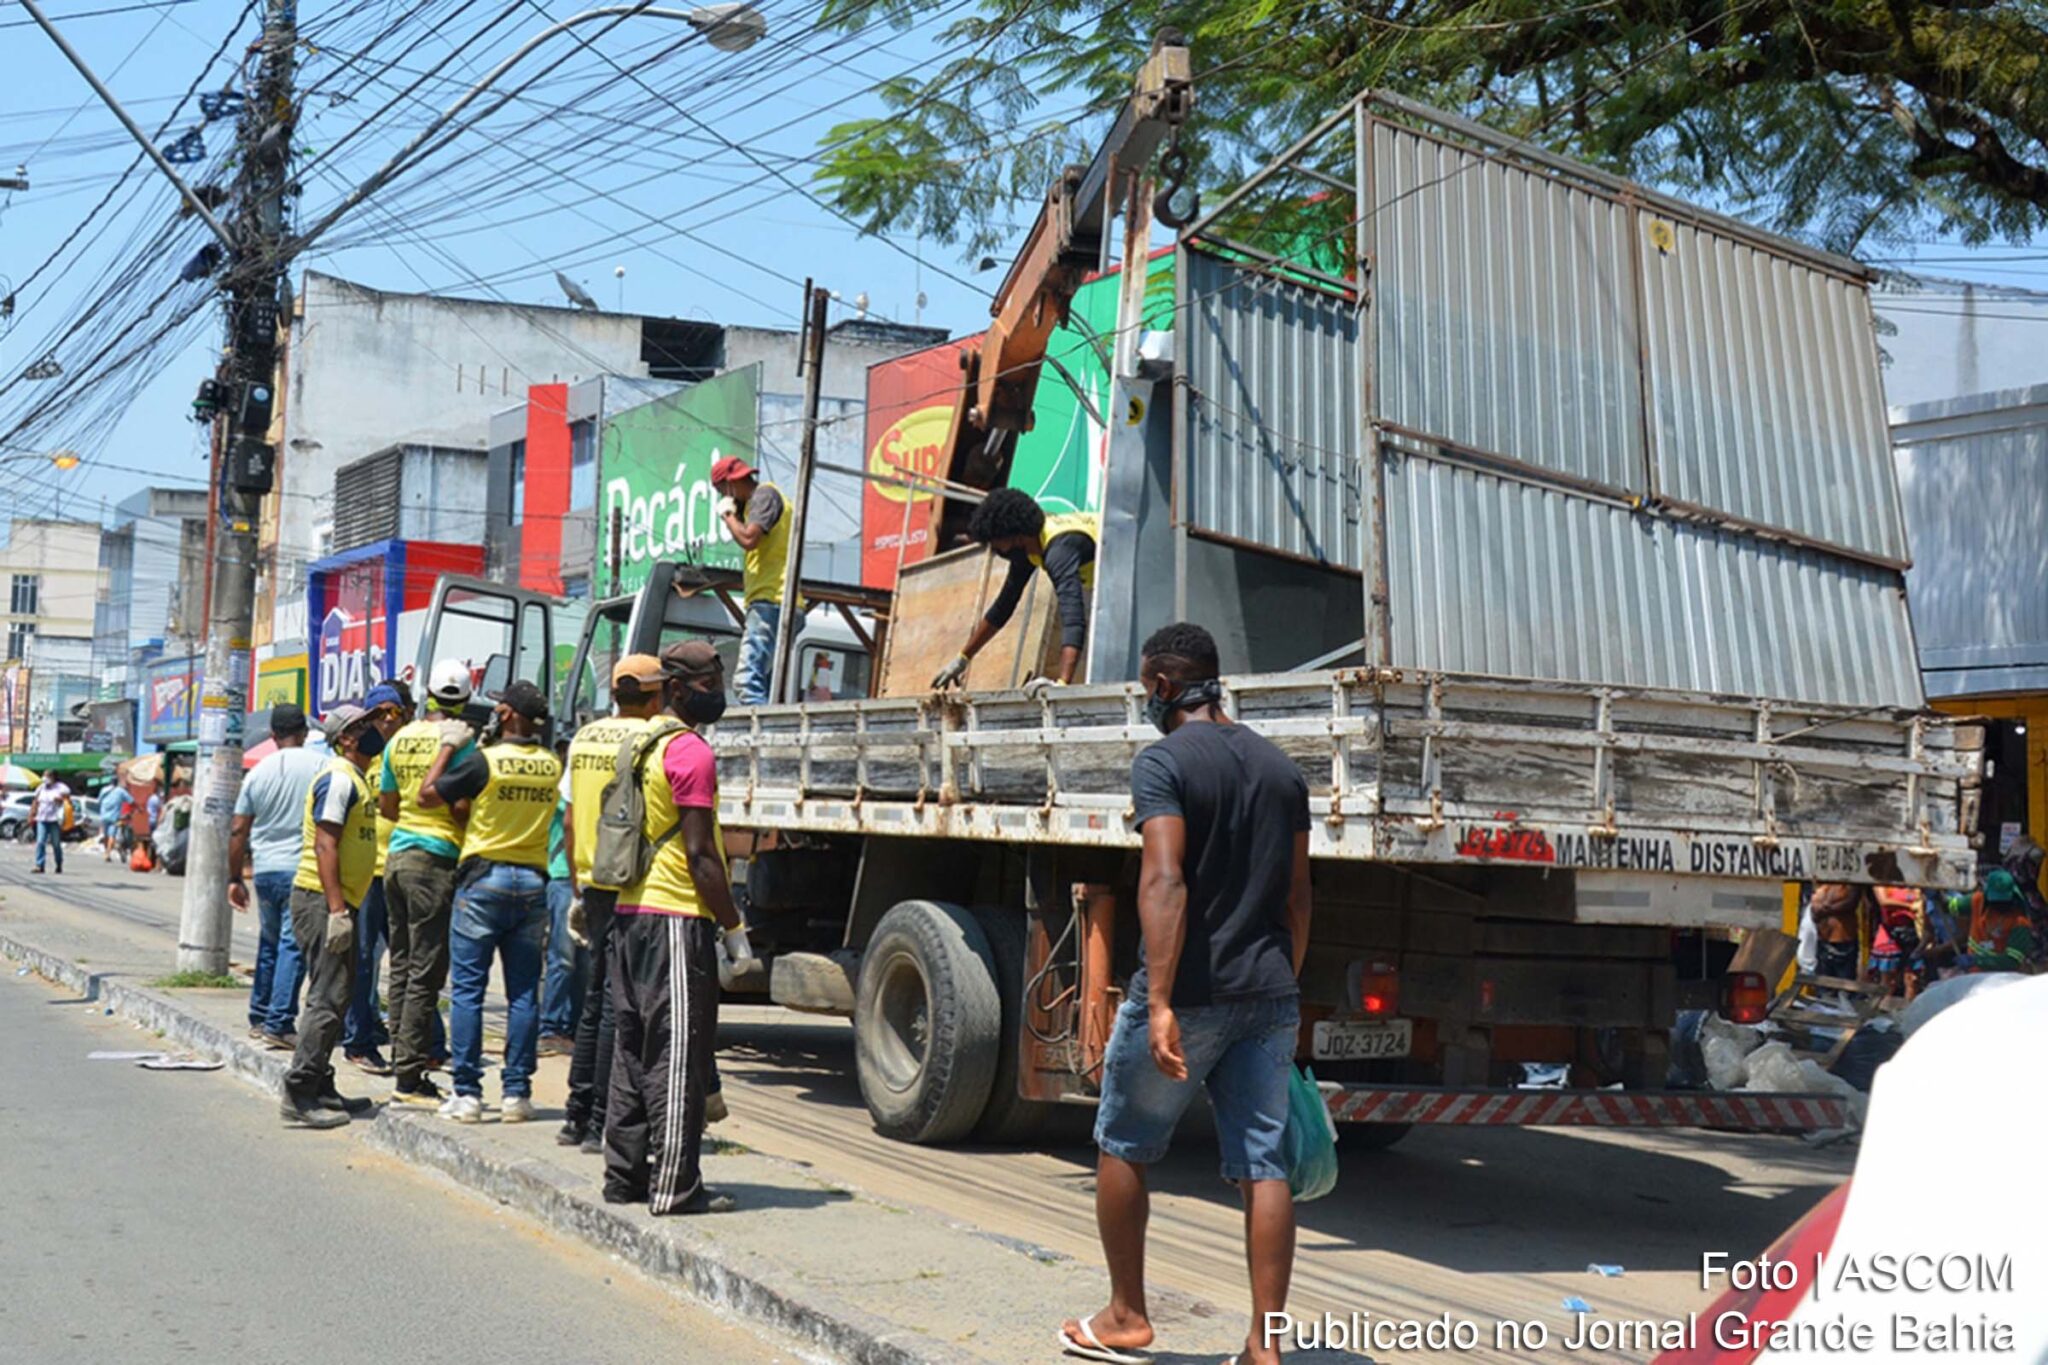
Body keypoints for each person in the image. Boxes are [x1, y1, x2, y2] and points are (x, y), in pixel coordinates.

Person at [1060, 622, 1310, 1365]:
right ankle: (1265, 1346)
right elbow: (1299, 895)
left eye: (1147, 688)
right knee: (1264, 1163)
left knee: (1124, 1141)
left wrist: (1161, 1000)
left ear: (1163, 687)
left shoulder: (1163, 763)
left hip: (1191, 989)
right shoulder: (1280, 769)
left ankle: (1126, 1316)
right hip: (1269, 991)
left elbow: (1165, 878)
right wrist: (1282, 982)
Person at [605, 641, 745, 1214]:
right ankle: (676, 1188)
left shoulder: (639, 742)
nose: (718, 690)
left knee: (632, 1052)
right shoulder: (690, 752)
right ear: (680, 689)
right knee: (678, 1054)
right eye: (710, 681)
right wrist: (733, 926)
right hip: (674, 918)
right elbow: (700, 855)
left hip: (630, 913)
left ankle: (624, 1180)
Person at [418, 679, 562, 1123]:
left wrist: (447, 749)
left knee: (467, 991)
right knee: (523, 994)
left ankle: (467, 1094)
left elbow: (428, 796)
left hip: (483, 881)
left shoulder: (486, 761)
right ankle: (517, 1093)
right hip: (533, 883)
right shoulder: (553, 765)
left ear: (506, 714)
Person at [557, 654, 667, 1154]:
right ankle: (602, 1117)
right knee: (614, 1006)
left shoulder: (584, 737)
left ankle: (575, 1115)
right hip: (627, 880)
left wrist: (578, 880)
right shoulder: (644, 741)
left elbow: (571, 816)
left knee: (593, 1001)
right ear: (652, 696)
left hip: (590, 876)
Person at [279, 705, 384, 1129]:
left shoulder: (355, 779)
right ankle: (300, 1091)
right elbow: (326, 844)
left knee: (337, 993)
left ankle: (321, 1082)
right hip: (322, 901)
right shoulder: (339, 778)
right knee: (328, 994)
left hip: (335, 900)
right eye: (362, 726)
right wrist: (338, 908)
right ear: (345, 738)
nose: (374, 729)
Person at [380, 660, 477, 1106]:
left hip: (397, 856)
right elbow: (459, 809)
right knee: (425, 971)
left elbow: (388, 804)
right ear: (467, 699)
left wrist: (414, 824)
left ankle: (401, 1056)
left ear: (428, 694)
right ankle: (410, 1074)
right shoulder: (459, 743)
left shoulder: (399, 737)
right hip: (435, 861)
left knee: (400, 964)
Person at [229, 703, 329, 1050]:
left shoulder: (257, 772)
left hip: (266, 871)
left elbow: (239, 828)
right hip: (302, 870)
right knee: (293, 945)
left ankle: (259, 1016)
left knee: (270, 942)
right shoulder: (322, 767)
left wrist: (234, 877)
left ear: (273, 736)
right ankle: (280, 1021)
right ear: (304, 733)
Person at [932, 488, 1097, 689]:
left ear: (1016, 536)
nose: (998, 551)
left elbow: (1073, 617)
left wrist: (1062, 684)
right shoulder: (1031, 547)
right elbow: (1003, 606)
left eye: (997, 544)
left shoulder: (1059, 551)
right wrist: (963, 658)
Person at [343, 683, 410, 1075]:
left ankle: (417, 1042)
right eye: (380, 713)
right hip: (366, 874)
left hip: (400, 868)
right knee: (363, 959)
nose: (388, 720)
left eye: (394, 713)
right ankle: (359, 1041)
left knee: (408, 958)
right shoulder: (359, 760)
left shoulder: (407, 754)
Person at [710, 454, 791, 707]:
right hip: (774, 600)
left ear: (728, 485)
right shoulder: (754, 504)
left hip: (772, 599)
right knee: (766, 684)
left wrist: (728, 516)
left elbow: (748, 540)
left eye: (721, 490)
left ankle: (760, 739)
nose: (724, 496)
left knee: (746, 682)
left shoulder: (764, 496)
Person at [538, 745, 581, 1060]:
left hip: (588, 878)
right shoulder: (559, 794)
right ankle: (551, 1027)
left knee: (585, 963)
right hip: (564, 877)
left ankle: (574, 1026)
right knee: (563, 957)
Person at [1806, 883, 1867, 982]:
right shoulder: (1823, 884)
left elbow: (1850, 902)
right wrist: (1822, 909)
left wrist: (1827, 909)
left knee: (1845, 985)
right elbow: (1815, 908)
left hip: (1844, 941)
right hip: (1823, 940)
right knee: (1823, 984)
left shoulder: (1850, 883)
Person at [30, 771, 71, 875]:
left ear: (53, 777)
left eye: (48, 776)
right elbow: (35, 801)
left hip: (55, 819)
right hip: (42, 818)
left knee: (56, 843)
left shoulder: (60, 787)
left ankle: (58, 863)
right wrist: (32, 814)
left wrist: (60, 799)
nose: (45, 778)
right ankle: (40, 865)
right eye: (44, 775)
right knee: (40, 842)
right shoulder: (41, 788)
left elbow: (67, 798)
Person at [98, 780, 132, 862]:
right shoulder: (120, 791)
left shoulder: (103, 790)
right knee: (112, 836)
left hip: (104, 816)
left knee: (106, 835)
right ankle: (107, 853)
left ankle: (106, 852)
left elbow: (99, 801)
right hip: (114, 817)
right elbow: (131, 801)